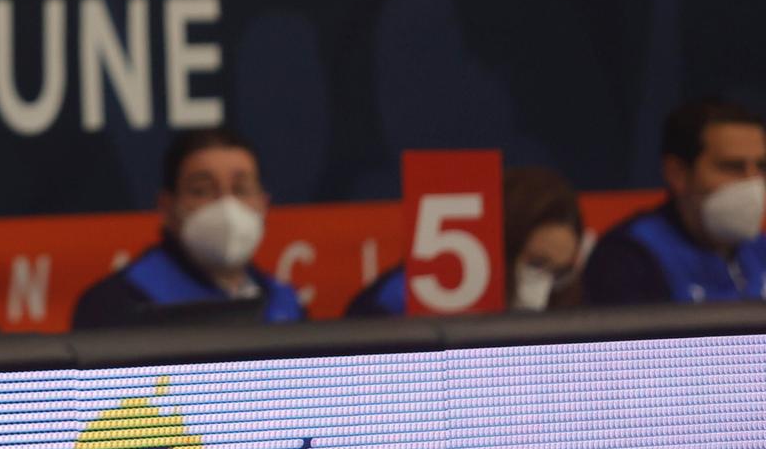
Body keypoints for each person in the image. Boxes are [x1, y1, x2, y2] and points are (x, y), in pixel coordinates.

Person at [69, 128, 305, 327]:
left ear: (264, 204)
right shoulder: (118, 305)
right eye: (202, 190)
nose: (226, 205)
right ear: (167, 207)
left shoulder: (284, 303)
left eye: (241, 189)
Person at [583, 98, 766, 305]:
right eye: (733, 167)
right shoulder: (628, 259)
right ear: (677, 173)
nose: (753, 182)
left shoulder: (760, 248)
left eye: (761, 167)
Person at [344, 166, 584, 317]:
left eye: (559, 273)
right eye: (536, 264)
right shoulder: (400, 298)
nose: (542, 287)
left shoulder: (569, 299)